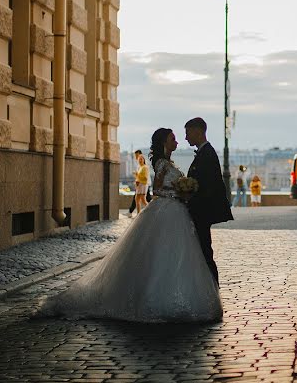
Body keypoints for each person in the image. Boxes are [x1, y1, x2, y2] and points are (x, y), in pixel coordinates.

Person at [34, 128, 222, 322]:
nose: (177, 142)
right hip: (167, 209)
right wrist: (178, 194)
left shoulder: (169, 163)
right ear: (164, 143)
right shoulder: (162, 164)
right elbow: (157, 189)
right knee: (163, 254)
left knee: (178, 254)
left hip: (176, 212)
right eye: (172, 139)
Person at [184, 117, 233, 286]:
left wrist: (189, 197)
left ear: (197, 131)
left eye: (187, 132)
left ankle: (212, 285)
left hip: (201, 212)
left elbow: (208, 186)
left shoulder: (207, 153)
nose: (186, 137)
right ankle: (209, 285)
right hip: (200, 211)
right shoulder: (206, 152)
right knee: (203, 249)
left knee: (204, 250)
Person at [128, 150, 151, 216]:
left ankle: (149, 211)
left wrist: (137, 174)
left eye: (141, 159)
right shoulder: (140, 167)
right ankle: (138, 214)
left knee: (143, 199)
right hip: (139, 185)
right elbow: (139, 176)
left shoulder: (145, 167)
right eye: (139, 159)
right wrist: (136, 178)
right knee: (137, 199)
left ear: (143, 160)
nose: (140, 160)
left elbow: (145, 177)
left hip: (143, 185)